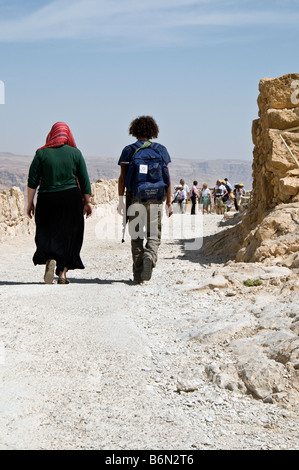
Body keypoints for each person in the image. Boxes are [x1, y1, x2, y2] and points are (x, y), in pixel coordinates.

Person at [27, 122, 92, 284]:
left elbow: (32, 181)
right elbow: (84, 180)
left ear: (51, 134)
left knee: (47, 231)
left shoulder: (41, 154)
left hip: (47, 198)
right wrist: (88, 202)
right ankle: (62, 274)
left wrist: (29, 203)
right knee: (69, 235)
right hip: (71, 198)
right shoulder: (75, 153)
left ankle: (50, 260)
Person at [118, 115, 173, 284]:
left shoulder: (129, 150)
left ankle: (138, 273)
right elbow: (167, 177)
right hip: (156, 197)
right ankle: (150, 254)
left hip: (135, 197)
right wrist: (169, 202)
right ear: (153, 131)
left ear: (134, 130)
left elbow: (122, 178)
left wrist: (121, 200)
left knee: (136, 235)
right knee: (154, 234)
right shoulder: (161, 149)